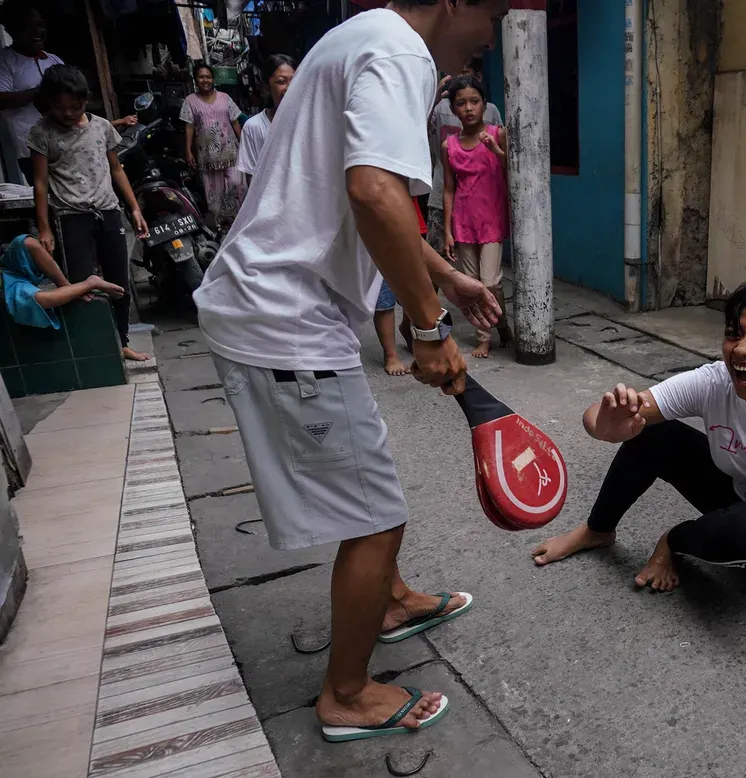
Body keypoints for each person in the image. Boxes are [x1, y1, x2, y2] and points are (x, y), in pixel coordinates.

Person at [192, 0, 508, 740]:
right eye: (495, 9)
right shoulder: (401, 53)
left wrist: (447, 280)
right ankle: (346, 693)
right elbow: (373, 192)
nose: (495, 30)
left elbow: (370, 194)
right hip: (285, 318)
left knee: (365, 483)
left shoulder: (359, 36)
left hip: (283, 308)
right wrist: (429, 326)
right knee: (376, 516)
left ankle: (390, 600)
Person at [533, 279, 746, 613]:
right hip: (739, 495)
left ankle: (673, 542)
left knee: (736, 529)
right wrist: (606, 424)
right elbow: (609, 415)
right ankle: (597, 529)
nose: (741, 349)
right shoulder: (714, 381)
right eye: (734, 334)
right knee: (651, 432)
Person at [28, 65, 151, 362]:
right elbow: (41, 183)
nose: (68, 113)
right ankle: (94, 346)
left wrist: (134, 208)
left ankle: (121, 341)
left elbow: (117, 169)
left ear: (85, 101)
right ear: (49, 104)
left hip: (107, 211)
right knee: (81, 285)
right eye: (60, 107)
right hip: (71, 217)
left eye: (75, 106)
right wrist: (44, 228)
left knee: (118, 281)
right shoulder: (41, 132)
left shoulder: (102, 127)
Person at [442, 73, 510, 358]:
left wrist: (497, 151)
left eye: (474, 101)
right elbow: (448, 188)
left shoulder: (498, 134)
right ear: (454, 108)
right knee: (472, 285)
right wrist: (447, 230)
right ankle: (489, 334)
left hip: (492, 219)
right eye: (461, 103)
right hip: (464, 222)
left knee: (491, 282)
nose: (468, 108)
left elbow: (516, 174)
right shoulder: (449, 145)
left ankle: (500, 326)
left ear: (484, 104)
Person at [427, 58, 501, 256]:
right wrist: (431, 99)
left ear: (478, 76)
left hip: (482, 202)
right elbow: (417, 131)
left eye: (465, 72)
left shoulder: (491, 110)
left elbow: (502, 154)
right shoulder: (439, 107)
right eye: (455, 73)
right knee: (439, 261)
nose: (468, 108)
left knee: (483, 271)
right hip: (442, 195)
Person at [2, 233, 125, 329]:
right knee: (42, 300)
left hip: (5, 269)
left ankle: (65, 286)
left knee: (26, 241)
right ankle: (91, 283)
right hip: (6, 285)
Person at [0, 6, 62, 183]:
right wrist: (38, 93)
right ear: (13, 30)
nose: (37, 31)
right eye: (29, 26)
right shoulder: (5, 61)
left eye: (40, 25)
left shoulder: (54, 60)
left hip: (66, 142)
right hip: (32, 147)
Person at [181, 62, 245, 231]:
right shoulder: (190, 101)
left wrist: (243, 143)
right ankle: (222, 225)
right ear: (196, 79)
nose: (205, 80)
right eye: (201, 77)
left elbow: (235, 121)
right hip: (207, 156)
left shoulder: (225, 98)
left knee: (236, 183)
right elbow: (188, 126)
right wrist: (188, 150)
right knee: (214, 193)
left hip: (231, 151)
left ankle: (238, 220)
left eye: (208, 77)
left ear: (213, 79)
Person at [373, 199, 428, 376]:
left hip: (409, 222)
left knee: (414, 293)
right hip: (378, 229)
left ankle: (408, 329)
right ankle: (391, 355)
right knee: (384, 299)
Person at [236, 54, 296, 189]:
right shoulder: (254, 127)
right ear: (266, 88)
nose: (290, 87)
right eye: (281, 81)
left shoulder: (308, 125)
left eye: (294, 81)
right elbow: (251, 176)